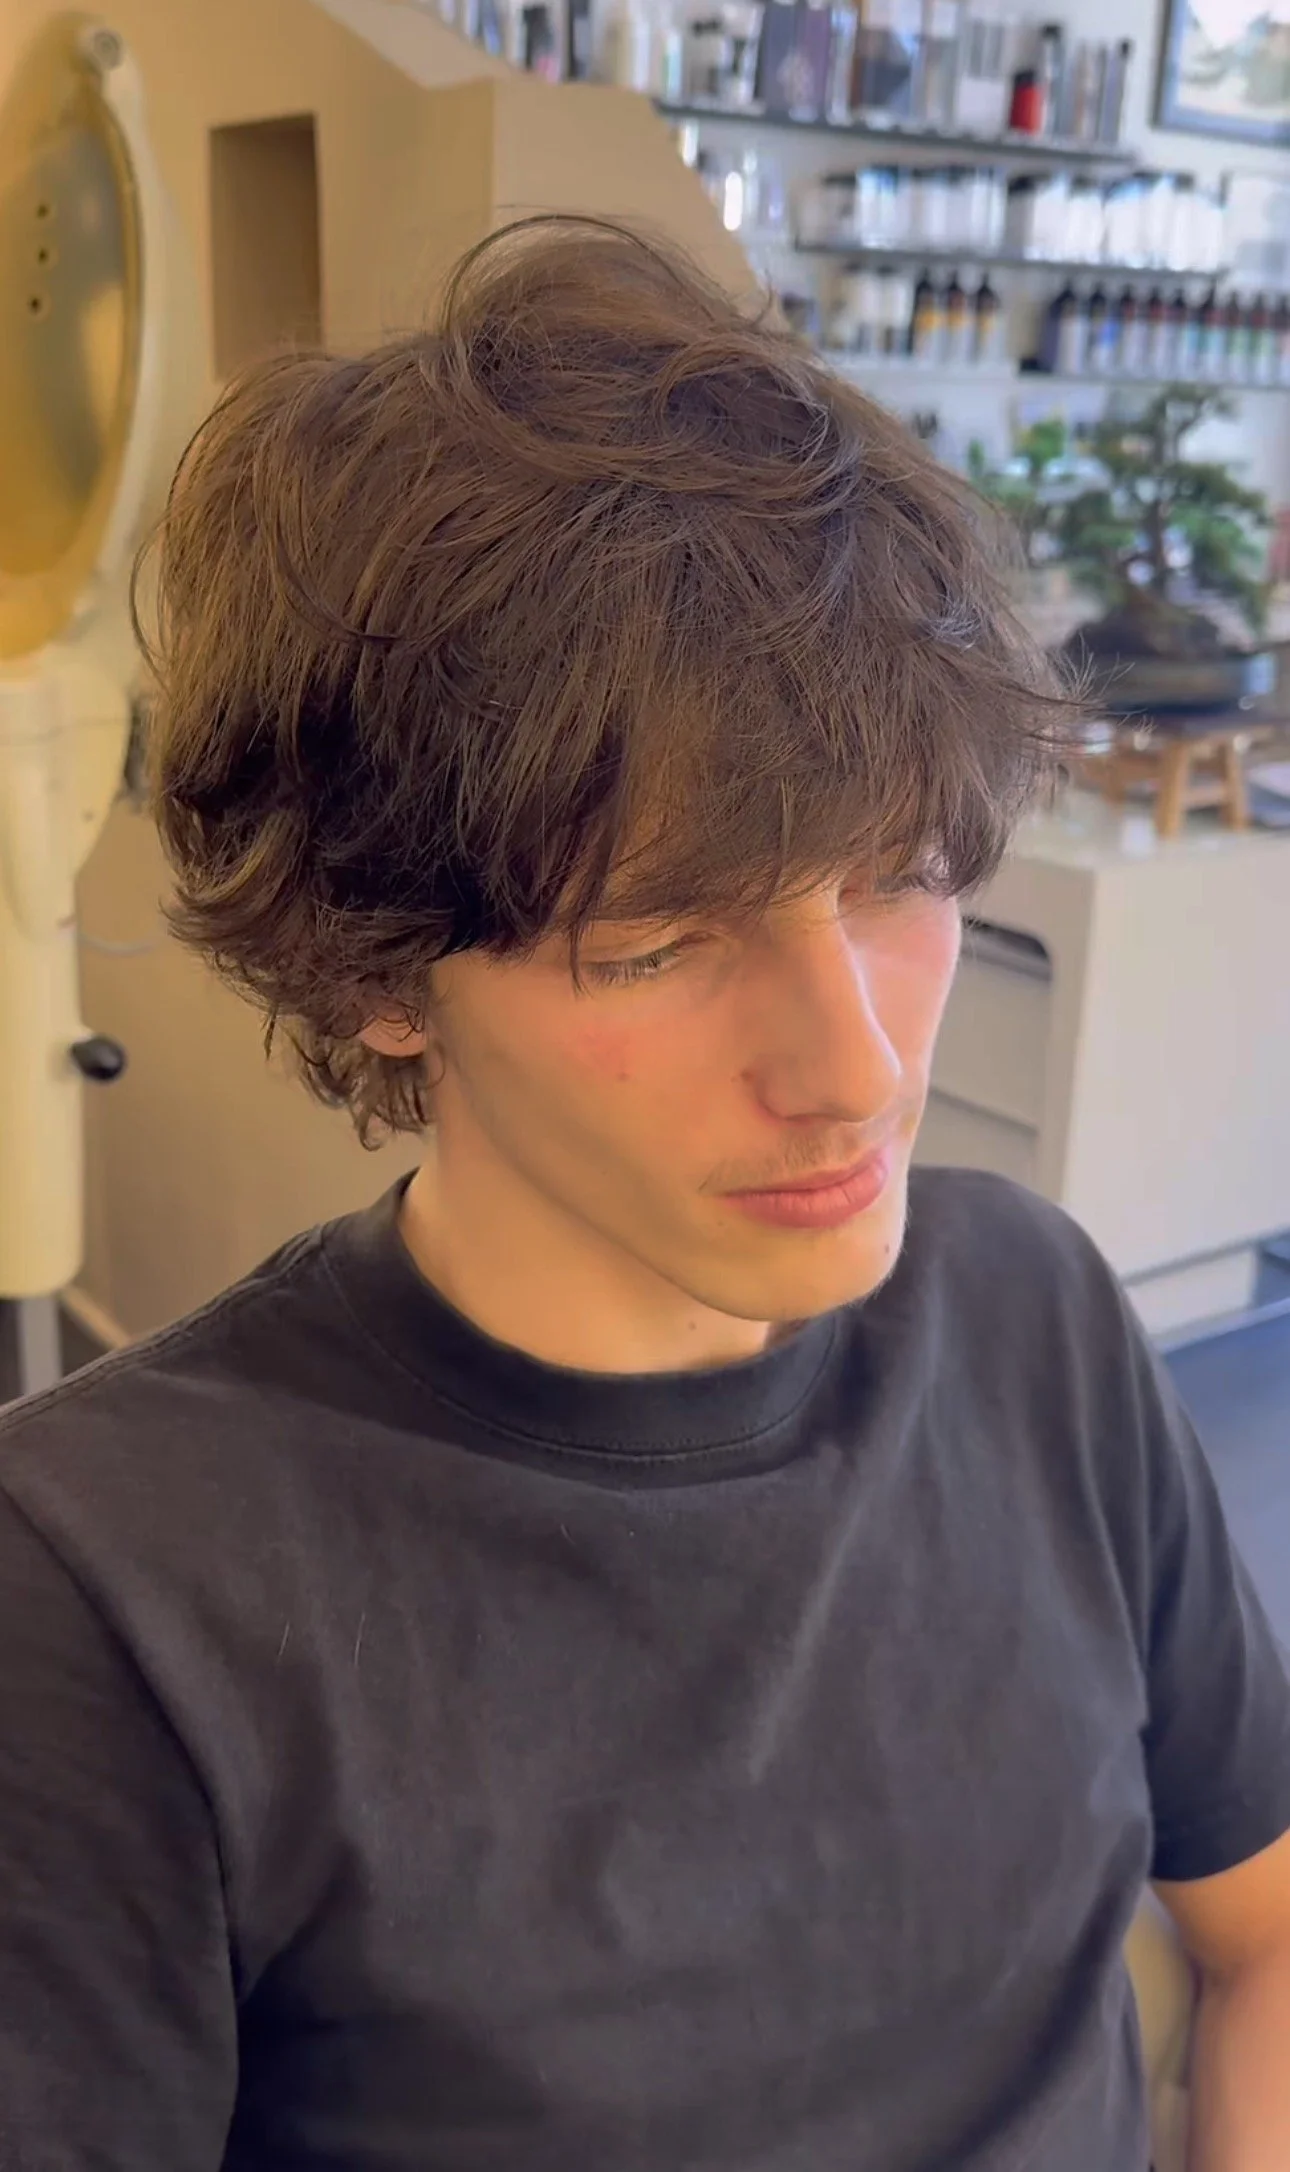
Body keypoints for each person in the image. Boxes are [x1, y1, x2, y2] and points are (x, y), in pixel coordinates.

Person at [1, 217, 1287, 2172]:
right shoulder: (109, 1594)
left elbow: (1266, 1935)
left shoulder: (1035, 1317)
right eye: (659, 941)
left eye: (893, 878)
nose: (857, 1066)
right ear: (378, 968)